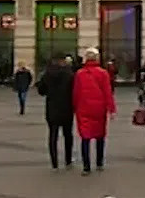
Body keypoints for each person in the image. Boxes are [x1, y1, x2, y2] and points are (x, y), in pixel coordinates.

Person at [72, 47, 115, 175]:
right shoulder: (103, 73)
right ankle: (99, 162)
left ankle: (86, 166)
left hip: (83, 108)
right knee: (100, 135)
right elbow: (107, 92)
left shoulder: (79, 74)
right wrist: (111, 108)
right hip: (99, 108)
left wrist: (74, 107)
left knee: (85, 137)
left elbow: (76, 92)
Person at [36, 54, 75, 169]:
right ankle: (68, 160)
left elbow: (41, 91)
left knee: (53, 135)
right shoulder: (69, 74)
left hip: (52, 107)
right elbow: (74, 90)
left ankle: (54, 162)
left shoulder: (47, 74)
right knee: (68, 135)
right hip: (67, 107)